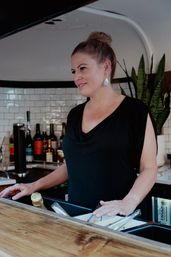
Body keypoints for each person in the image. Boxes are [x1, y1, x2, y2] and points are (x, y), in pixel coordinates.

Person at [0, 31, 157, 218]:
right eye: (74, 71)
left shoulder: (135, 111)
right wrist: (32, 186)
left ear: (106, 67)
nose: (76, 77)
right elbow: (72, 166)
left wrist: (128, 202)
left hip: (118, 218)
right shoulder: (75, 115)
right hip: (78, 216)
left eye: (83, 68)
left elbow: (149, 168)